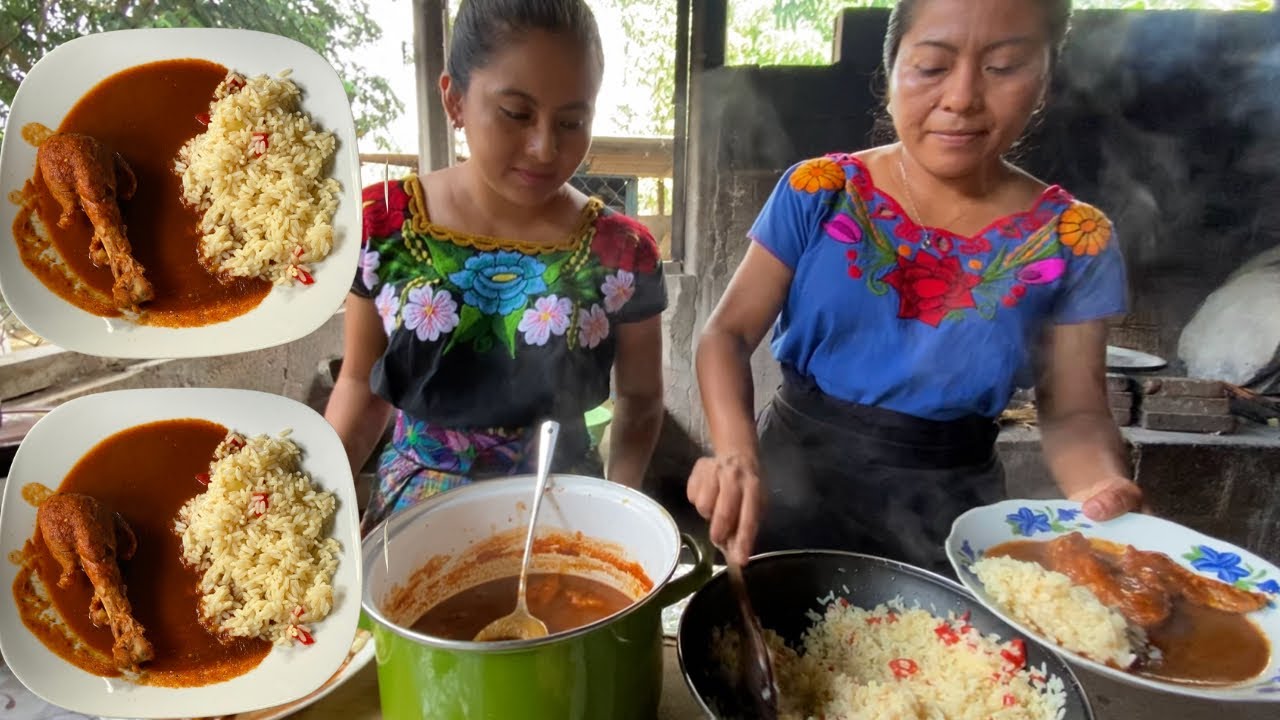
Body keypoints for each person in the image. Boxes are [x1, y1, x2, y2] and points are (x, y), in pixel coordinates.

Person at [687, 0, 1143, 573]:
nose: (961, 98)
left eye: (1003, 67)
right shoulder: (820, 189)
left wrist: (1100, 488)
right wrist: (735, 453)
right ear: (892, 71)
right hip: (789, 483)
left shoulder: (1076, 239)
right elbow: (726, 334)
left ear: (1045, 80)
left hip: (953, 514)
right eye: (931, 67)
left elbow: (1075, 413)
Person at [325, 0, 666, 536]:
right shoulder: (382, 223)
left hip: (566, 511)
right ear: (455, 99)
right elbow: (361, 386)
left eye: (572, 121)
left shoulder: (622, 250)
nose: (544, 147)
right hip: (414, 513)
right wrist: (317, 510)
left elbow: (642, 399)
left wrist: (618, 510)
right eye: (517, 113)